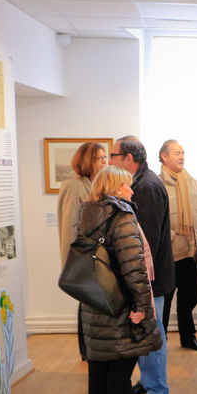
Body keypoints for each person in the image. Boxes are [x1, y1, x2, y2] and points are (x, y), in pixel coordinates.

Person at [78, 165, 160, 394]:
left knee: (101, 361)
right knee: (122, 365)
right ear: (114, 188)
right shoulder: (121, 216)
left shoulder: (87, 213)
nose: (131, 190)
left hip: (94, 299)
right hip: (120, 301)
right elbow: (133, 266)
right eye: (126, 185)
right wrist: (141, 305)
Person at [109, 135, 175, 394]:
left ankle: (158, 391)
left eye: (113, 156)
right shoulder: (143, 182)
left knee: (152, 333)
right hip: (151, 277)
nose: (109, 161)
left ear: (128, 159)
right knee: (145, 331)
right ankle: (149, 382)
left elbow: (146, 240)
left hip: (152, 278)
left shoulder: (146, 187)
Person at [57, 142, 108, 360]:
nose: (105, 162)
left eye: (105, 157)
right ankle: (86, 350)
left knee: (93, 302)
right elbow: (70, 226)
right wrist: (73, 261)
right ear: (88, 162)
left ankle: (92, 348)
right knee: (87, 302)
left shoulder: (95, 184)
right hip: (83, 256)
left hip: (96, 254)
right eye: (100, 158)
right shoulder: (74, 185)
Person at [158, 139, 197, 351]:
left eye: (183, 153)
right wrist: (171, 234)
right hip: (169, 254)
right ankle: (160, 341)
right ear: (164, 157)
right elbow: (153, 220)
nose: (182, 157)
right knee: (166, 299)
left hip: (191, 252)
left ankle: (188, 337)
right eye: (177, 153)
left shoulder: (194, 183)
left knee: (189, 297)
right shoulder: (157, 184)